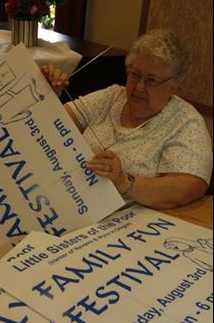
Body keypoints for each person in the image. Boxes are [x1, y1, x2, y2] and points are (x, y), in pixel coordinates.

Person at [41, 28, 212, 209]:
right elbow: (51, 126)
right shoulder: (113, 96)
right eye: (135, 75)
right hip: (69, 198)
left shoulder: (186, 122)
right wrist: (49, 95)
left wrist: (125, 183)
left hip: (126, 221)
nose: (139, 87)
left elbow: (189, 187)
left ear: (174, 87)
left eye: (151, 80)